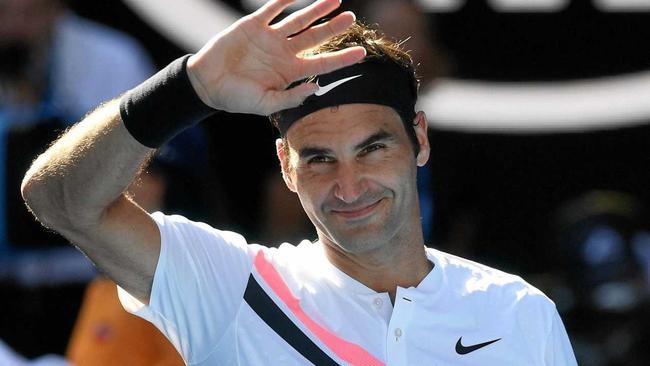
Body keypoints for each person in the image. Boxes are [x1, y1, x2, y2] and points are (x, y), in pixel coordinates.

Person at [21, 0, 577, 364]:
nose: (349, 184)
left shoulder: (518, 312)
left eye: (373, 148)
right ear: (285, 165)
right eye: (319, 159)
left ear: (420, 141)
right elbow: (59, 201)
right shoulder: (231, 285)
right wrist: (185, 90)